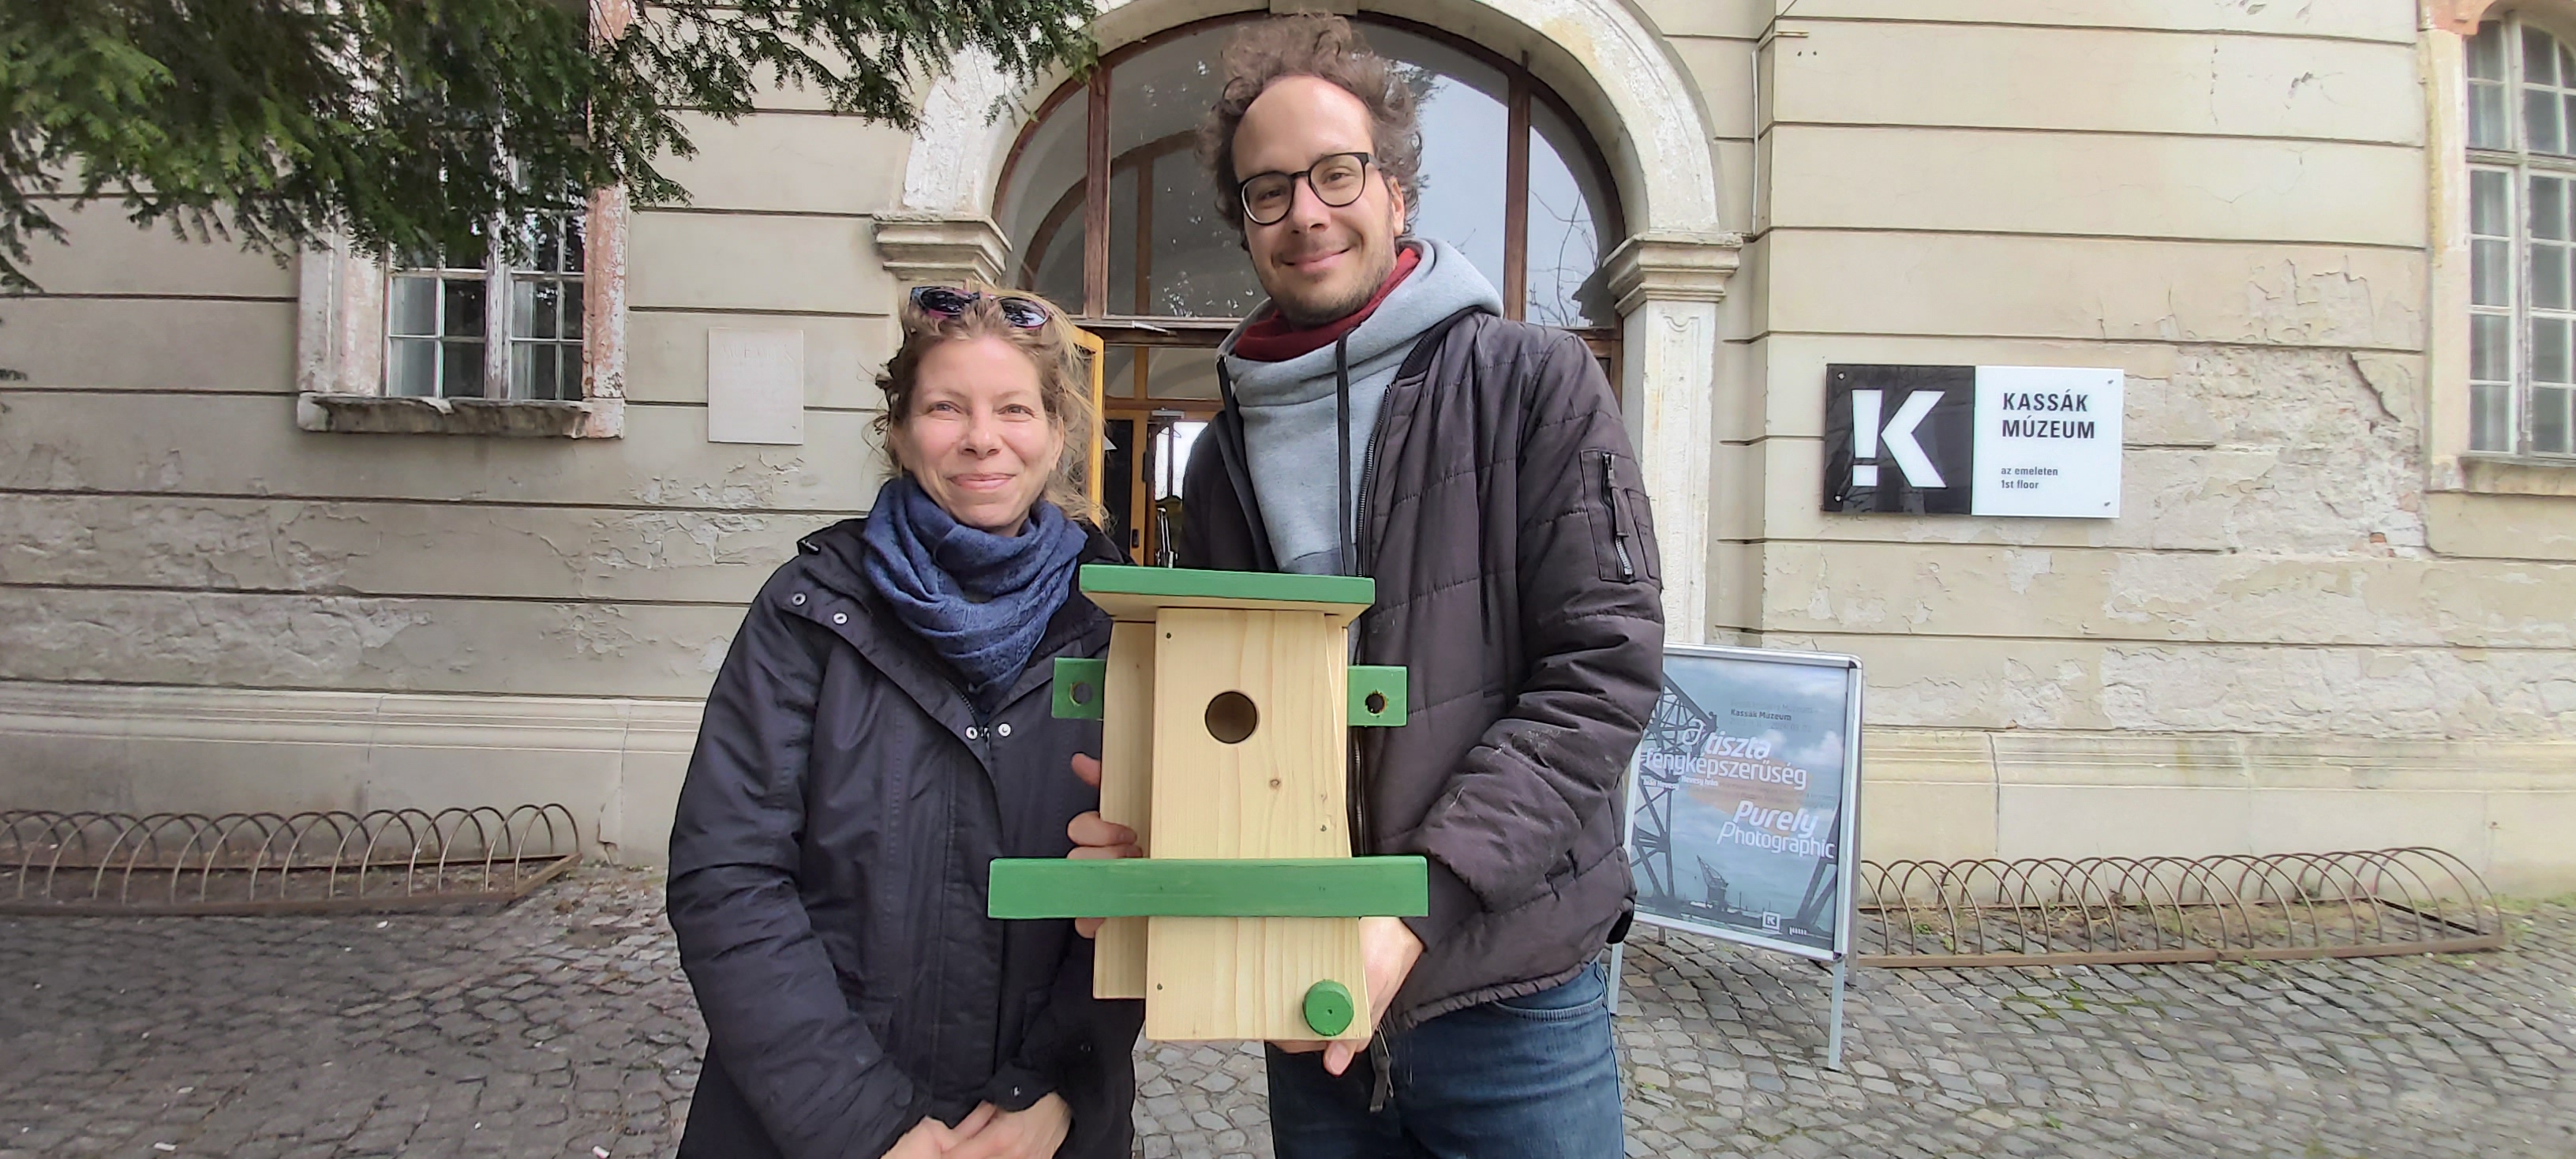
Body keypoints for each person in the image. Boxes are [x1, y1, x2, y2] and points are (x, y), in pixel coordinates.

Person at [1066, 13, 1664, 1157]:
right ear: (1244, 220)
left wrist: (1414, 907)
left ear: (1396, 188)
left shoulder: (1529, 380)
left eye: (1335, 173)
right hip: (1306, 997)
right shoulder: (1231, 440)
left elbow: (1603, 670)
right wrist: (1157, 820)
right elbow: (1226, 685)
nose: (1305, 212)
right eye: (1267, 189)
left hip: (1508, 993)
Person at [669, 284, 1142, 1159]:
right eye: (945, 407)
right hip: (809, 1130)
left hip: (1042, 1134)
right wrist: (865, 1126)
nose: (981, 438)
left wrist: (1059, 1084)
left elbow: (1146, 888)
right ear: (898, 429)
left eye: (1013, 408)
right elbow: (729, 875)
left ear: (1057, 433)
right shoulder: (810, 611)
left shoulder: (1119, 624)